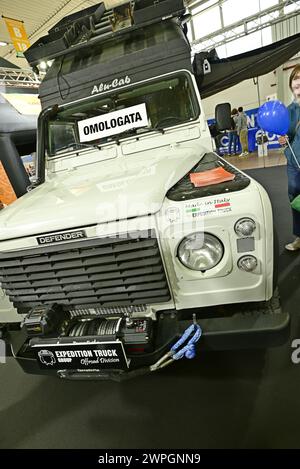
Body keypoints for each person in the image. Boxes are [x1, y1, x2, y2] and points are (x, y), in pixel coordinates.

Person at [278, 64, 300, 251]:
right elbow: (286, 139)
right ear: (291, 83)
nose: (298, 81)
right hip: (294, 163)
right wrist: (282, 140)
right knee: (295, 200)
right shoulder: (287, 111)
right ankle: (299, 237)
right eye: (295, 78)